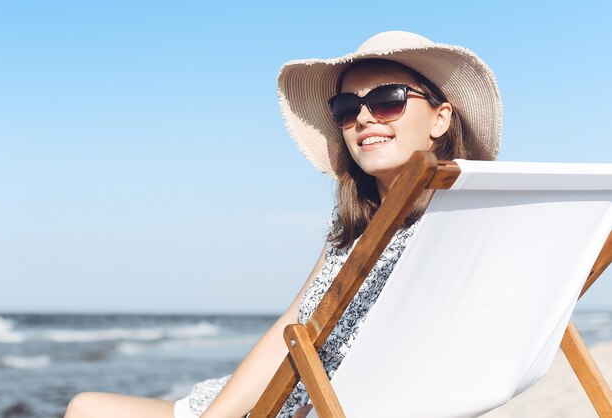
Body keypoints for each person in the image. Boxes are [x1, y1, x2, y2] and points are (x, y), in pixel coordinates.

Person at [64, 30, 501, 418]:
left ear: (440, 119)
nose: (364, 119)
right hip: (266, 402)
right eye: (347, 108)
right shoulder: (358, 226)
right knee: (85, 406)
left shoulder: (454, 231)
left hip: (314, 408)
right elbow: (291, 327)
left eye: (388, 100)